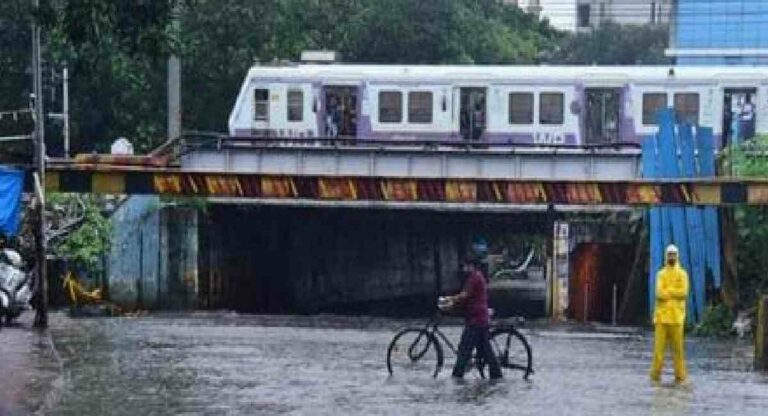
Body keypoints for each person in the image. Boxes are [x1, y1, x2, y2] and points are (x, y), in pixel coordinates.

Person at [443, 257, 502, 380]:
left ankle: (457, 377)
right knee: (486, 351)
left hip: (476, 320)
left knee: (464, 350)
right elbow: (469, 297)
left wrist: (450, 299)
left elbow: (465, 295)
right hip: (480, 318)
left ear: (471, 266)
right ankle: (497, 378)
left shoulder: (474, 278)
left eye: (465, 266)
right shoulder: (478, 276)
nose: (464, 269)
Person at [650, 244, 690, 386]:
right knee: (658, 353)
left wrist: (669, 291)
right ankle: (655, 378)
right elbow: (659, 294)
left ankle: (680, 378)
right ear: (665, 256)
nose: (671, 257)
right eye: (669, 254)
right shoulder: (660, 274)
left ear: (677, 256)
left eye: (673, 254)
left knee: (678, 352)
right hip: (661, 318)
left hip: (677, 318)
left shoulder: (683, 274)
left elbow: (684, 293)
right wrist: (674, 292)